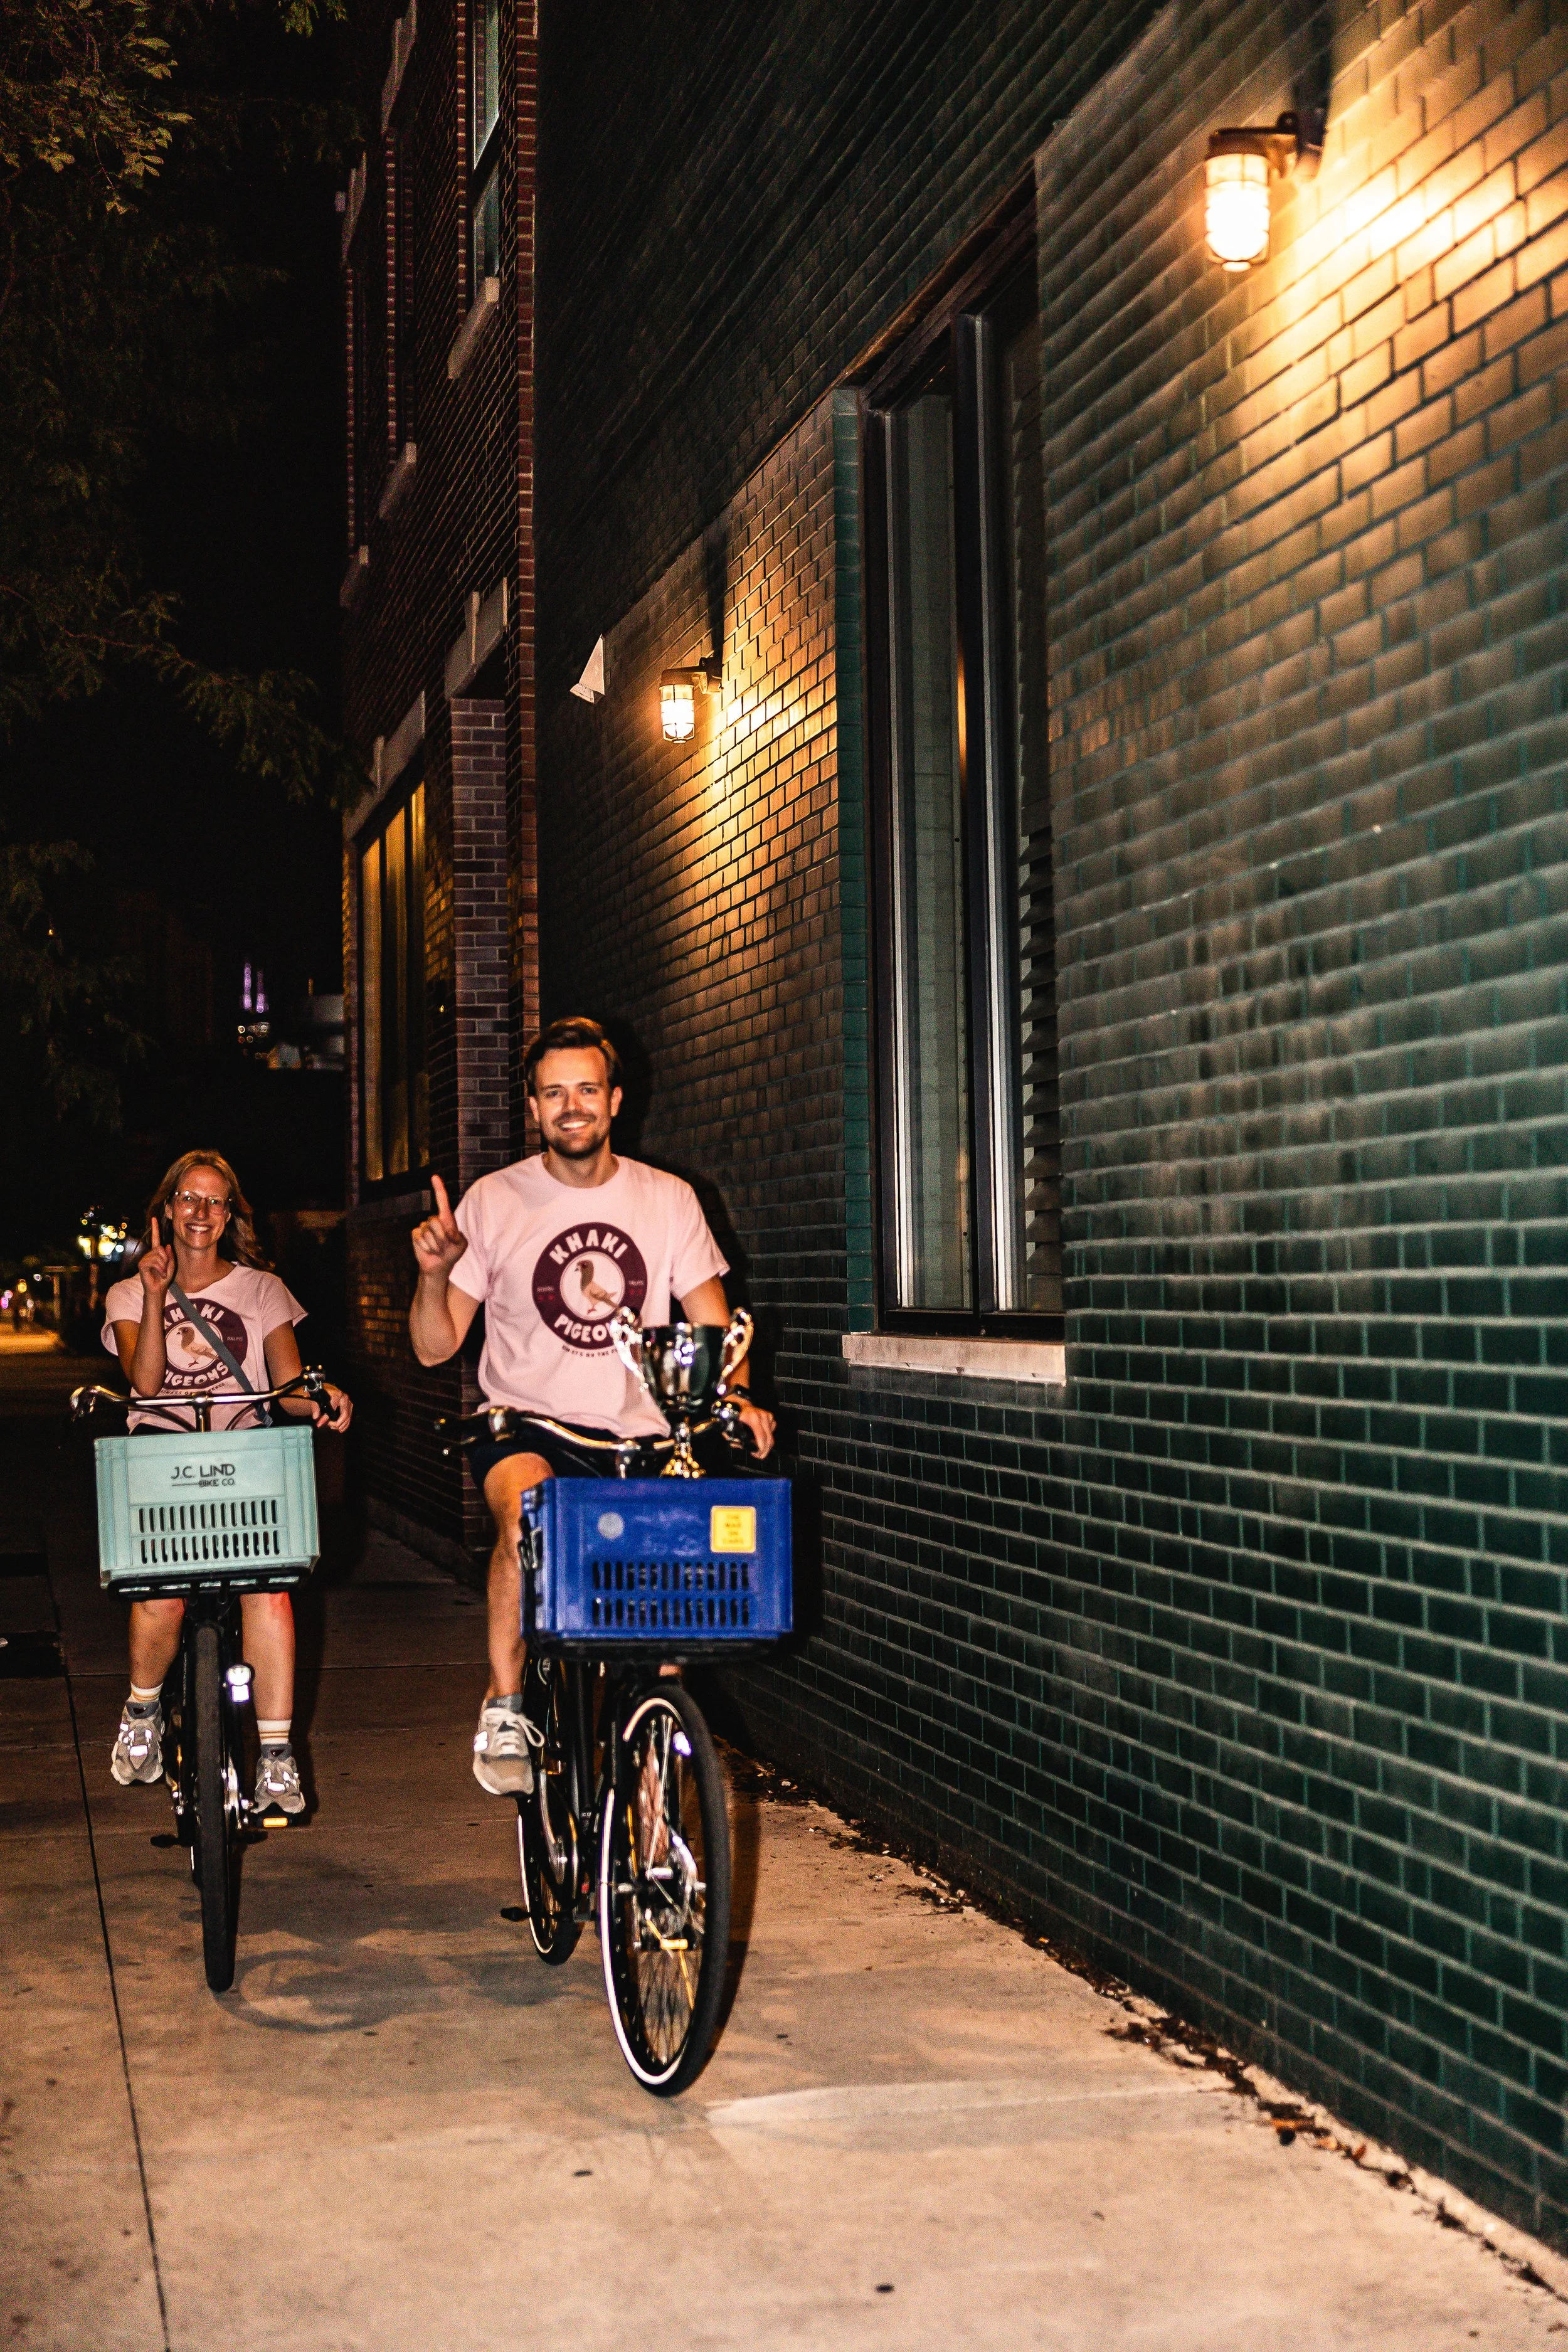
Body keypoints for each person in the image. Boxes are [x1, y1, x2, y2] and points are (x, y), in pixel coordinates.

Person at [408, 1015, 775, 1797]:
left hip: (641, 1438)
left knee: (661, 1632)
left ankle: (650, 1815)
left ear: (613, 1101)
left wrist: (736, 1396)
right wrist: (437, 1274)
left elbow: (714, 1325)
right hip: (527, 1426)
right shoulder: (493, 1201)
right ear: (534, 1111)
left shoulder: (668, 1199)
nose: (570, 1106)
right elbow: (436, 1348)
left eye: (585, 1089)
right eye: (552, 1093)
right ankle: (507, 1703)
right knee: (530, 1514)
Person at [102, 1150, 352, 1815]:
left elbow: (290, 1385)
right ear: (166, 1209)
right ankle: (143, 1709)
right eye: (189, 1198)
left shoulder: (262, 1288)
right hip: (164, 1454)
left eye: (215, 1201)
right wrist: (157, 1294)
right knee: (162, 1592)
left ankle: (275, 1757)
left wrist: (323, 1398)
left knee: (269, 1592)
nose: (201, 1212)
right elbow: (146, 1384)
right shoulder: (129, 1293)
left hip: (245, 1453)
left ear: (230, 1213)